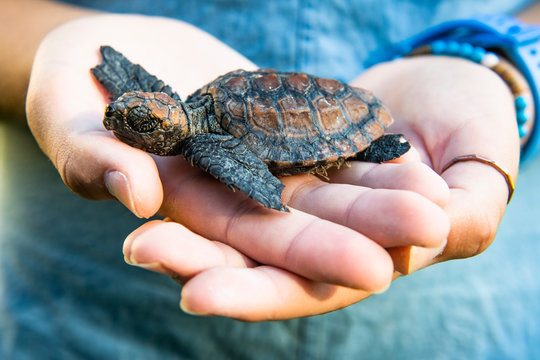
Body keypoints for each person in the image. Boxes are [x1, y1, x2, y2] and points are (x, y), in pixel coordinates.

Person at [1, 0, 539, 358]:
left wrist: (505, 63)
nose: (121, 119)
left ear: (168, 127)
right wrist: (49, 42)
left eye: (138, 120)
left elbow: (241, 167)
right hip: (80, 323)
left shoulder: (205, 139)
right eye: (126, 114)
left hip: (463, 328)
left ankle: (370, 146)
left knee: (366, 169)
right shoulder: (191, 120)